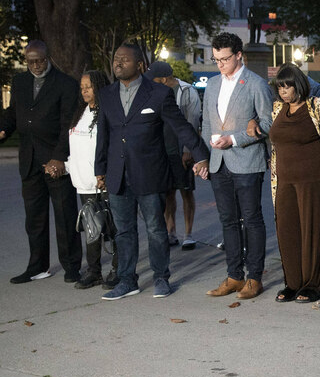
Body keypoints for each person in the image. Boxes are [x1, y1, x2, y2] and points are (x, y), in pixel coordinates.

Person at [95, 44, 210, 300]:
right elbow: (104, 134)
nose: (118, 63)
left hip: (149, 172)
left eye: (124, 59)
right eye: (116, 59)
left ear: (140, 65)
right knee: (123, 231)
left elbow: (181, 127)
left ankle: (161, 278)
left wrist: (201, 155)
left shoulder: (158, 93)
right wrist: (99, 169)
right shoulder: (107, 94)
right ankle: (127, 280)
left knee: (156, 229)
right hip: (117, 174)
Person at [0, 40, 83, 284]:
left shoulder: (66, 84)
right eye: (31, 61)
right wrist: (3, 129)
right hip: (29, 159)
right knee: (33, 218)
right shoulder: (20, 82)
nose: (36, 65)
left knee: (65, 216)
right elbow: (13, 112)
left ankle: (71, 267)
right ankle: (37, 266)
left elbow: (69, 122)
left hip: (56, 161)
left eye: (40, 60)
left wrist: (59, 156)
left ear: (49, 57)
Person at [269, 64, 320, 303]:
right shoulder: (277, 109)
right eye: (280, 87)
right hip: (283, 180)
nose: (284, 91)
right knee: (287, 232)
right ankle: (292, 284)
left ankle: (312, 285)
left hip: (312, 179)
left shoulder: (317, 105)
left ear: (299, 84)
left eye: (288, 86)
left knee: (311, 231)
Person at [202, 32, 274, 300]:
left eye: (224, 59)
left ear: (238, 55)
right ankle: (234, 276)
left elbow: (268, 124)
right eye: (216, 59)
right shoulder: (211, 85)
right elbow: (207, 123)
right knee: (227, 220)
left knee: (252, 220)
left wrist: (233, 139)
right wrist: (206, 153)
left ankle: (254, 277)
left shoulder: (255, 84)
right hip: (218, 162)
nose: (219, 64)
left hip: (247, 161)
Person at [66, 70, 119, 289]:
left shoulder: (109, 111)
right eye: (82, 87)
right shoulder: (81, 112)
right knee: (91, 228)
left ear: (99, 86)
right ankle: (94, 271)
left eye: (88, 86)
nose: (84, 90)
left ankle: (118, 269)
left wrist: (105, 172)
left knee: (113, 227)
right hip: (83, 182)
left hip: (103, 180)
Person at [143, 61, 202, 251]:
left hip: (180, 150)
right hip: (162, 151)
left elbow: (192, 122)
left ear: (164, 79)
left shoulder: (187, 91)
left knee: (186, 192)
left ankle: (188, 234)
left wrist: (188, 150)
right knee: (168, 193)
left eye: (155, 79)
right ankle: (171, 232)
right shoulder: (153, 92)